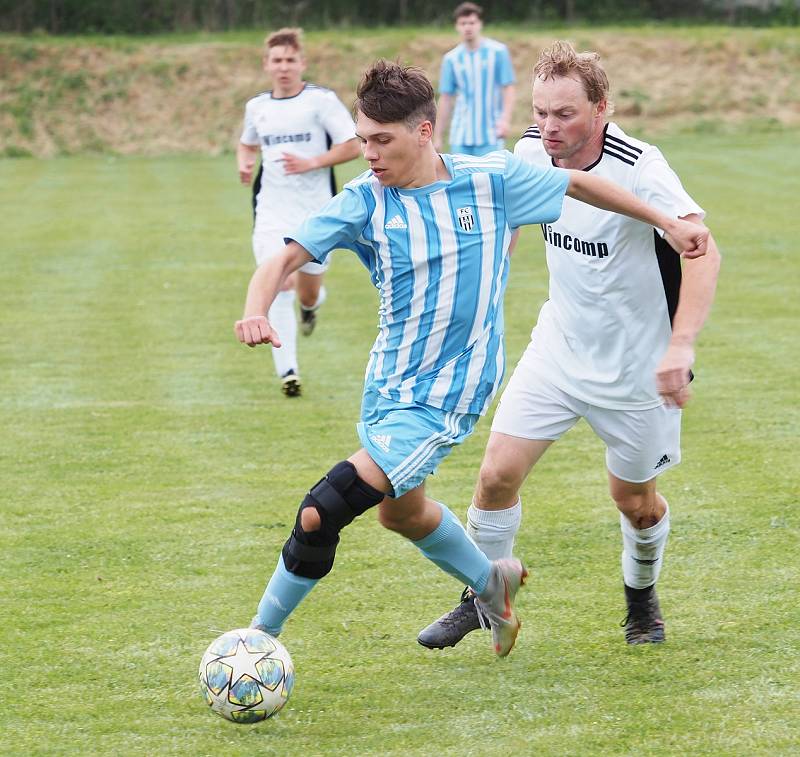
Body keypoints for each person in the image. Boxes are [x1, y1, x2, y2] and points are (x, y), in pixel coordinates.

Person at [234, 60, 709, 658]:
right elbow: (282, 260)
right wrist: (256, 307)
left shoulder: (490, 179)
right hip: (389, 384)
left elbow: (580, 185)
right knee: (401, 516)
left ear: (425, 131)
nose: (368, 153)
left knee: (320, 511)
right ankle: (491, 586)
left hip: (451, 390)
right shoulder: (363, 201)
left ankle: (256, 641)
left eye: (382, 140)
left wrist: (664, 219)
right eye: (362, 139)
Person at [417, 41, 721, 651]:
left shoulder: (642, 167)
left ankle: (641, 598)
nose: (548, 127)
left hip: (637, 368)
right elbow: (518, 206)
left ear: (601, 108)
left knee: (635, 504)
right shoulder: (532, 146)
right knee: (496, 475)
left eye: (564, 114)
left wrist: (681, 347)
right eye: (541, 111)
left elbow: (703, 249)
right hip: (558, 346)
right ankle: (483, 595)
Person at [237, 27, 360, 397]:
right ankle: (288, 371)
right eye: (277, 60)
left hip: (316, 214)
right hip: (271, 211)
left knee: (306, 292)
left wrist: (313, 162)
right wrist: (244, 164)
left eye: (291, 60)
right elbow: (247, 145)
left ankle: (312, 307)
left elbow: (353, 145)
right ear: (267, 65)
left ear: (302, 63)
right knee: (280, 283)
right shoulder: (257, 107)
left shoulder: (320, 101)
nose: (284, 67)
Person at [433, 3, 516, 156]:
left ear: (480, 24)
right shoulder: (451, 59)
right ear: (457, 26)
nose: (468, 27)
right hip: (461, 134)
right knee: (461, 179)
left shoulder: (498, 52)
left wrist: (505, 120)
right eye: (463, 23)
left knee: (491, 177)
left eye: (471, 23)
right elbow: (446, 98)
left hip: (490, 133)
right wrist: (438, 135)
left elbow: (508, 87)